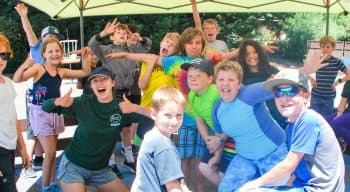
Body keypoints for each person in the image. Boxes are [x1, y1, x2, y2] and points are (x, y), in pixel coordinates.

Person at [106, 27, 243, 192]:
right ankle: (182, 187)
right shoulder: (176, 61)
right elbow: (148, 57)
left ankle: (200, 189)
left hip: (206, 123)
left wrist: (249, 48)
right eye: (190, 43)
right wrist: (124, 54)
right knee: (183, 161)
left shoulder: (209, 58)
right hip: (183, 119)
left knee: (201, 163)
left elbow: (229, 58)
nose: (194, 46)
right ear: (183, 45)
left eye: (198, 43)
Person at [42, 66, 149, 192]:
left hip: (101, 171)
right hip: (73, 167)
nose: (100, 83)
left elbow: (156, 119)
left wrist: (138, 109)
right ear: (91, 86)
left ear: (113, 82)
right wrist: (57, 102)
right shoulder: (83, 102)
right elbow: (46, 107)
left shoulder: (122, 107)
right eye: (95, 81)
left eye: (104, 79)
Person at [239, 68, 345, 192]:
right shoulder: (291, 126)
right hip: (305, 184)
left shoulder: (308, 120)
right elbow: (291, 168)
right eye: (278, 93)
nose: (284, 98)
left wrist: (254, 184)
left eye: (290, 92)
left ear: (306, 96)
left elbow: (288, 165)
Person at [13, 38, 91, 192]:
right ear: (44, 54)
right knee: (50, 152)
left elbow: (85, 72)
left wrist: (86, 58)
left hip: (55, 112)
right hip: (40, 113)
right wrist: (25, 65)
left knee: (53, 151)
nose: (55, 54)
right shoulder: (38, 68)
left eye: (57, 51)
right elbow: (17, 78)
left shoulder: (61, 71)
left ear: (61, 53)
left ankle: (52, 183)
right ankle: (44, 187)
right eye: (51, 51)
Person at [211, 60, 288, 192]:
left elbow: (280, 84)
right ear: (215, 82)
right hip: (245, 157)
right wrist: (216, 155)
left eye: (231, 79)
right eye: (221, 79)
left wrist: (306, 70)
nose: (225, 83)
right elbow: (222, 134)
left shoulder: (249, 93)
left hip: (273, 152)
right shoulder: (217, 109)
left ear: (239, 84)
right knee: (225, 189)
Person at [88, 19, 152, 169]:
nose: (123, 34)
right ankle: (110, 163)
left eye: (125, 32)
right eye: (118, 32)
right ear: (112, 37)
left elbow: (147, 46)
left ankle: (129, 159)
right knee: (111, 128)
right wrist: (103, 33)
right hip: (114, 93)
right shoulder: (105, 50)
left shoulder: (133, 49)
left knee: (127, 128)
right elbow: (92, 44)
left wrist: (140, 38)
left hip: (130, 93)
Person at [15, 3, 64, 171]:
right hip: (33, 97)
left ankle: (38, 159)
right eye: (47, 36)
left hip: (51, 101)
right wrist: (24, 16)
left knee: (47, 132)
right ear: (41, 39)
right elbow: (29, 32)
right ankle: (30, 162)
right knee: (32, 132)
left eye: (55, 37)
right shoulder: (37, 49)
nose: (51, 39)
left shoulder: (56, 54)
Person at [180, 58, 234, 186]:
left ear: (210, 79)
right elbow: (199, 121)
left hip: (233, 135)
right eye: (190, 76)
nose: (193, 79)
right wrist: (207, 140)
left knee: (226, 172)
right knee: (206, 168)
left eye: (198, 76)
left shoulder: (216, 92)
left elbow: (232, 118)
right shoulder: (192, 95)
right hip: (218, 136)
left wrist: (219, 142)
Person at [131, 87, 190, 192]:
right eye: (168, 115)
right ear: (153, 114)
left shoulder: (151, 136)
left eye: (179, 116)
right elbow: (173, 187)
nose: (174, 121)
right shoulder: (164, 146)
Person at [0, 33, 30, 192]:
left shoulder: (8, 83)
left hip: (9, 149)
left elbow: (13, 117)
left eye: (3, 55)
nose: (0, 60)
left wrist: (23, 148)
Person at [238, 39, 286, 128]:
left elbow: (285, 93)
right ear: (242, 57)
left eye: (254, 52)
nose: (251, 56)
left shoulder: (272, 71)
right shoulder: (240, 77)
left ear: (259, 53)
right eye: (247, 54)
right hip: (255, 125)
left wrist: (276, 83)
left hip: (278, 120)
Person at [308, 35, 349, 116]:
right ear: (320, 48)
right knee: (314, 118)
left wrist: (338, 81)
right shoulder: (317, 60)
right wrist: (311, 79)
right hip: (316, 96)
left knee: (326, 120)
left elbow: (349, 74)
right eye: (323, 46)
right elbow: (304, 70)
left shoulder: (337, 62)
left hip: (329, 97)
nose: (325, 49)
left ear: (332, 48)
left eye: (328, 47)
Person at [325, 80, 350, 151]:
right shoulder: (348, 83)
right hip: (348, 111)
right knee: (325, 122)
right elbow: (343, 101)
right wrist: (339, 114)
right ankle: (340, 141)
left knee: (336, 125)